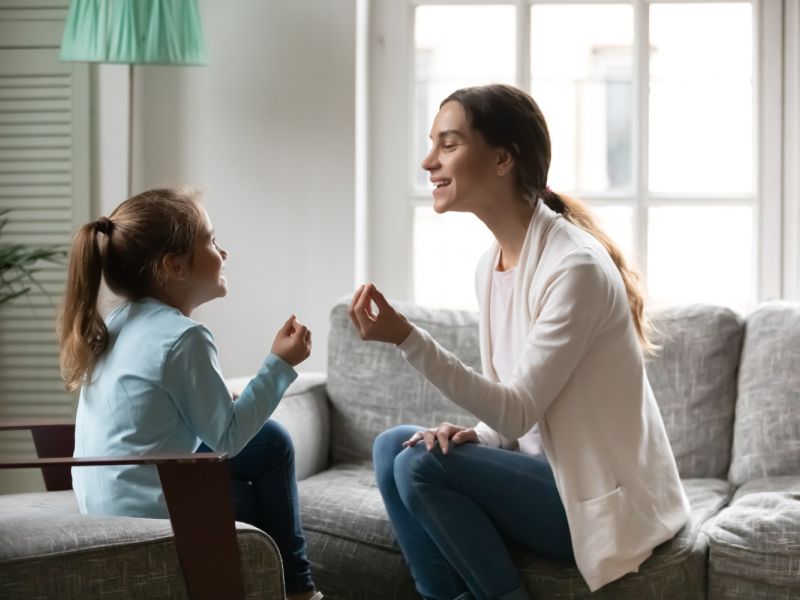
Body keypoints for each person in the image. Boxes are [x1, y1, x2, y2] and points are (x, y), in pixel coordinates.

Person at [349, 84, 690, 600]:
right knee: (393, 446)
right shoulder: (492, 266)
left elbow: (518, 412)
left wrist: (406, 338)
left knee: (419, 466)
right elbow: (512, 413)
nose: (428, 160)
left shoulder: (573, 267)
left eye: (448, 144)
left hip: (594, 499)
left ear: (502, 159)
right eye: (432, 143)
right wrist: (476, 439)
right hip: (540, 475)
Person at [58, 186, 322, 600]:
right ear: (175, 266)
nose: (224, 252)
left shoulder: (120, 319)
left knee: (270, 441)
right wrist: (280, 364)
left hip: (107, 497)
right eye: (212, 241)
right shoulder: (185, 338)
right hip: (149, 513)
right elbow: (227, 439)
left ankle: (297, 587)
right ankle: (301, 588)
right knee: (263, 486)